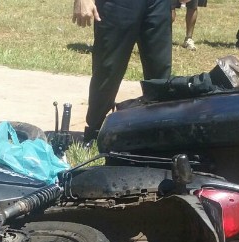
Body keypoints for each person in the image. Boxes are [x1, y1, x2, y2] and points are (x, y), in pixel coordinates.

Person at [72, 0, 172, 143]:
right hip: (117, 4)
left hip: (158, 4)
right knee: (108, 69)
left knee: (160, 70)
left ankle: (160, 132)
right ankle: (95, 131)